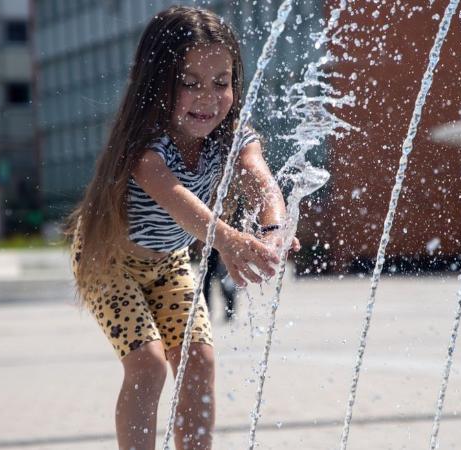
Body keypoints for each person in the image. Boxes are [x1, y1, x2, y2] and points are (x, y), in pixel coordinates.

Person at [66, 6, 298, 449]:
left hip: (170, 265)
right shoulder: (146, 147)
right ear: (158, 83)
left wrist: (273, 230)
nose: (208, 98)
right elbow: (179, 203)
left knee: (199, 360)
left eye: (221, 83)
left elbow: (261, 180)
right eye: (189, 83)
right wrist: (228, 240)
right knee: (148, 364)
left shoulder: (232, 138)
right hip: (108, 260)